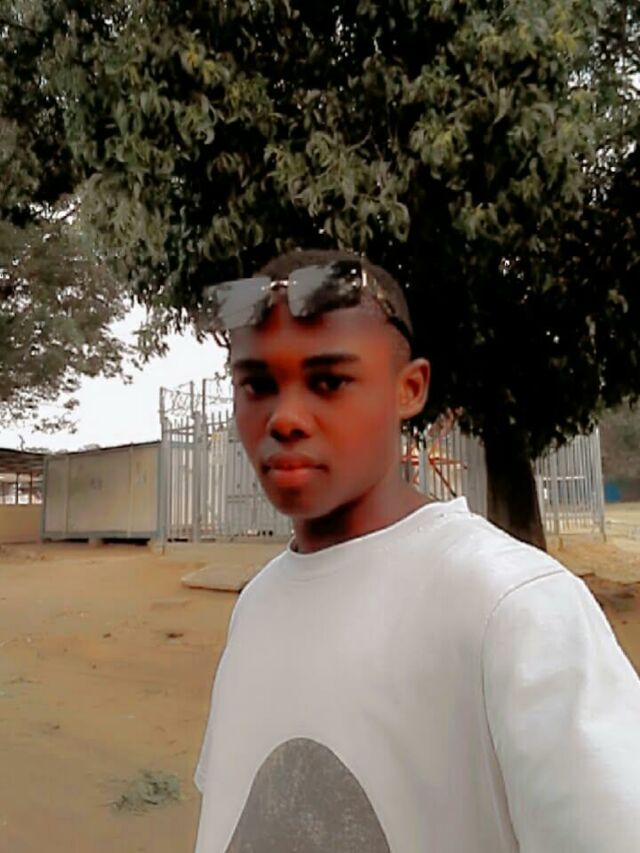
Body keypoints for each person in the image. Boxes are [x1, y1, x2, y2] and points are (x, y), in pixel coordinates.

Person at [193, 248, 640, 852]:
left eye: (329, 382)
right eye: (257, 385)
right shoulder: (256, 604)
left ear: (409, 389)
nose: (285, 418)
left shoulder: (513, 608)